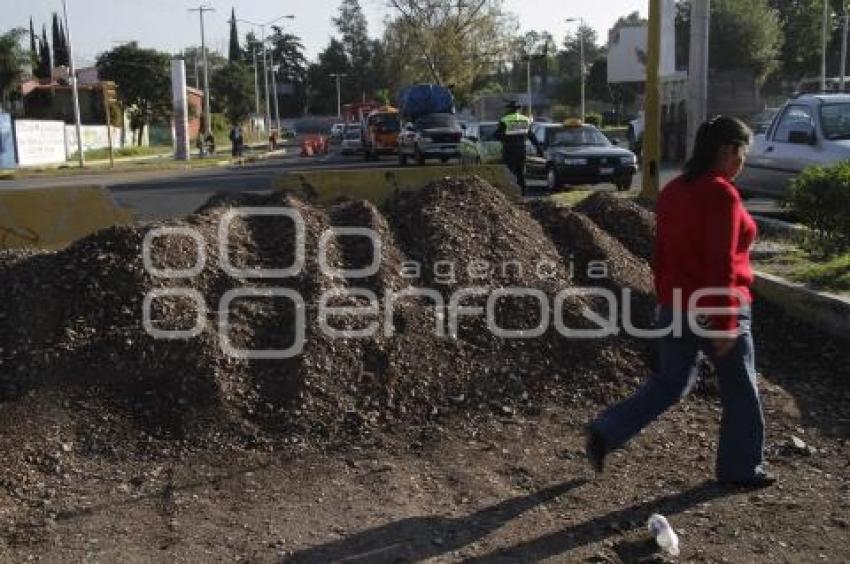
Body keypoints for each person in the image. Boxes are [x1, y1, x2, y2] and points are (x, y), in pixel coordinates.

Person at [585, 116, 775, 488]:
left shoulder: (674, 191)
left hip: (676, 306)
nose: (743, 162)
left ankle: (607, 430)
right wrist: (724, 322)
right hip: (719, 305)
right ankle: (739, 469)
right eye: (742, 153)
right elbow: (720, 262)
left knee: (670, 383)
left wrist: (664, 306)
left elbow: (663, 255)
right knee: (741, 390)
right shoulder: (720, 193)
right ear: (727, 150)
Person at [494, 101, 539, 196]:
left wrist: (505, 137)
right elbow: (531, 136)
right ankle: (523, 193)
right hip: (522, 150)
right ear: (518, 109)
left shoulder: (505, 120)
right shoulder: (525, 120)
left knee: (510, 172)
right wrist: (539, 149)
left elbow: (497, 135)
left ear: (510, 109)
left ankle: (511, 193)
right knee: (521, 173)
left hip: (509, 150)